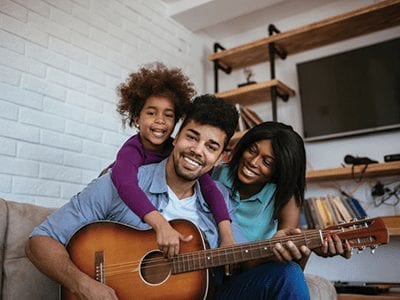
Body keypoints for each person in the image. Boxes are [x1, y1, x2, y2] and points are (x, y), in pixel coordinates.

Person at [25, 94, 245, 299]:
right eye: (192, 137)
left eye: (211, 147)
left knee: (278, 276)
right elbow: (40, 241)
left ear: (220, 158)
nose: (197, 150)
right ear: (175, 138)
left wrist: (276, 247)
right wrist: (82, 284)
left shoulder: (220, 198)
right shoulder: (118, 180)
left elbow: (245, 257)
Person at [212, 121, 352, 299]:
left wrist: (300, 249)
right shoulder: (214, 175)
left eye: (267, 162)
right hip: (205, 276)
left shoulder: (285, 197)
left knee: (290, 272)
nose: (253, 162)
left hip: (246, 278)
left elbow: (290, 271)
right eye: (252, 150)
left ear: (280, 169)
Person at [106, 63, 235, 255]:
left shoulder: (178, 150)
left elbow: (210, 190)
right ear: (135, 119)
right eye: (151, 113)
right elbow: (126, 185)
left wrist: (227, 238)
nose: (160, 120)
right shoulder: (132, 151)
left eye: (168, 115)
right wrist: (161, 225)